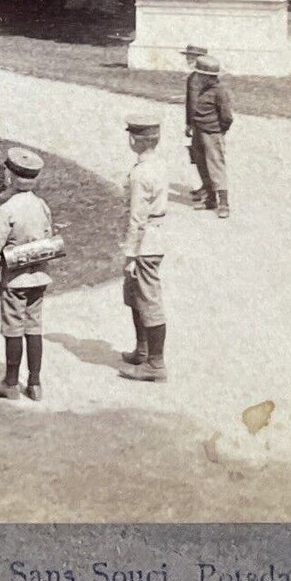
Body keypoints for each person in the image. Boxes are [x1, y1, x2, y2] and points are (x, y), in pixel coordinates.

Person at [0, 147, 55, 402]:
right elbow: (48, 236)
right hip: (39, 276)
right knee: (34, 326)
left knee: (13, 327)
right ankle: (35, 383)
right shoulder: (42, 205)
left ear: (10, 177)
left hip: (15, 278)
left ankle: (10, 383)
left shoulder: (8, 209)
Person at [119, 111, 170, 382]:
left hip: (144, 243)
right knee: (135, 294)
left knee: (148, 299)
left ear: (136, 140)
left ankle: (155, 364)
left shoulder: (141, 173)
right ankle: (142, 350)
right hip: (153, 235)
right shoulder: (158, 165)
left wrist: (130, 255)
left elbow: (137, 218)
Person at [186, 53, 234, 217]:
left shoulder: (220, 91)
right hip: (198, 130)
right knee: (201, 163)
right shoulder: (202, 88)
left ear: (209, 77)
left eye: (201, 75)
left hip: (212, 133)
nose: (198, 77)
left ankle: (224, 203)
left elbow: (227, 117)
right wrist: (191, 124)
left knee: (216, 166)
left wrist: (219, 131)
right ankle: (211, 199)